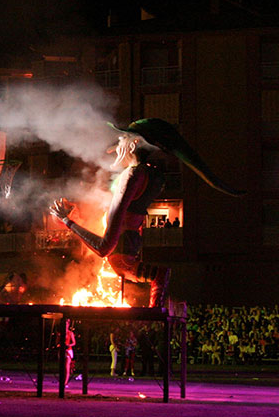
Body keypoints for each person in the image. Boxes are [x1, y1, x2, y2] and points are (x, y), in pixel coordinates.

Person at [51, 118, 243, 307]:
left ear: (135, 143)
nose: (118, 144)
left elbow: (104, 248)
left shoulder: (132, 175)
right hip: (128, 250)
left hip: (121, 255)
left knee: (155, 275)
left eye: (123, 139)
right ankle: (156, 312)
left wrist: (67, 221)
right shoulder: (153, 176)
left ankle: (154, 314)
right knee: (155, 276)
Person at [63, 320, 76, 384]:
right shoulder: (60, 333)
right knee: (63, 366)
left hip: (68, 350)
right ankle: (63, 380)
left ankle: (66, 382)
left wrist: (69, 345)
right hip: (63, 350)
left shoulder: (70, 333)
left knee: (67, 366)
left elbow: (74, 343)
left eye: (66, 324)